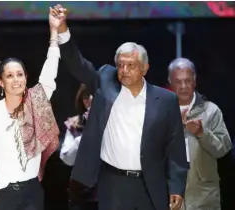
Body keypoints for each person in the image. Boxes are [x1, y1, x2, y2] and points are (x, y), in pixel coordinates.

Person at [50, 5, 188, 210]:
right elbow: (76, 63)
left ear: (145, 68)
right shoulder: (105, 81)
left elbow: (176, 150)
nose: (124, 70)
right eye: (120, 64)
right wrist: (61, 29)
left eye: (131, 65)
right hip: (113, 183)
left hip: (150, 183)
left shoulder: (166, 100)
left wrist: (177, 187)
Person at [0, 9, 61, 210]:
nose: (16, 80)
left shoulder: (35, 103)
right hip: (2, 193)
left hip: (32, 191)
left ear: (26, 78)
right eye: (10, 76)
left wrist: (54, 34)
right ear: (1, 82)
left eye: (20, 74)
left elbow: (50, 73)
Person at [167, 58, 232, 210]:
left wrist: (202, 133)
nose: (183, 86)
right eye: (178, 82)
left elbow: (223, 149)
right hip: (171, 196)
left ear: (195, 81)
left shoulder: (211, 111)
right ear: (170, 82)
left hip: (204, 198)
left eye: (188, 81)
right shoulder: (161, 111)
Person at [60, 84, 97, 210]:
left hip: (106, 190)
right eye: (86, 96)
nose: (90, 99)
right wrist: (84, 137)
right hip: (80, 191)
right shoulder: (74, 124)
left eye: (94, 95)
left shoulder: (111, 122)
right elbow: (67, 159)